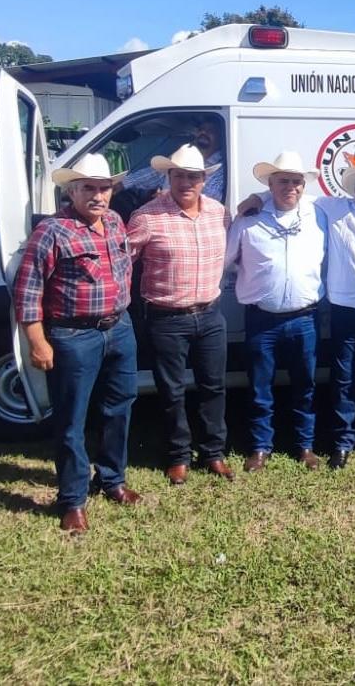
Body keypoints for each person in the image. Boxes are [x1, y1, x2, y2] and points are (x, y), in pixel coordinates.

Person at [239, 157, 355, 468]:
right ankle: (342, 442)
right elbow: (290, 193)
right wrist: (258, 198)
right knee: (343, 378)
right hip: (344, 310)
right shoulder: (333, 209)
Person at [12, 153, 140, 536]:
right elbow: (27, 290)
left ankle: (112, 479)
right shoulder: (52, 231)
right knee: (71, 420)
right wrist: (38, 341)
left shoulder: (115, 222)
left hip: (120, 328)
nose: (98, 195)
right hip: (72, 336)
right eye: (89, 188)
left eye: (104, 188)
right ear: (71, 191)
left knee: (120, 407)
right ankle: (72, 500)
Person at [127, 144, 234, 486]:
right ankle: (178, 456)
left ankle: (214, 453)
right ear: (168, 177)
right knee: (171, 392)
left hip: (211, 315)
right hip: (166, 318)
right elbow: (121, 264)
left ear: (204, 180)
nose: (186, 182)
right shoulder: (146, 216)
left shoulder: (219, 213)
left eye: (193, 176)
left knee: (214, 387)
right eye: (179, 176)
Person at [226, 151, 327, 473]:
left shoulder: (319, 212)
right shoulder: (248, 218)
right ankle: (260, 447)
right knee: (259, 388)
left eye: (297, 181)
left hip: (305, 318)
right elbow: (226, 261)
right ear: (270, 184)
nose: (291, 187)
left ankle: (305, 446)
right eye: (283, 181)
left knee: (306, 386)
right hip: (261, 319)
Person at [122, 116, 226, 204]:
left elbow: (213, 200)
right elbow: (152, 174)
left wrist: (168, 197)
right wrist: (121, 184)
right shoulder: (180, 157)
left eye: (211, 131)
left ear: (221, 137)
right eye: (201, 129)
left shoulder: (223, 171)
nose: (204, 132)